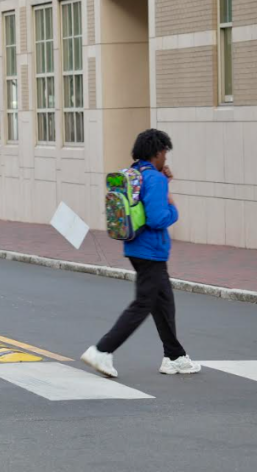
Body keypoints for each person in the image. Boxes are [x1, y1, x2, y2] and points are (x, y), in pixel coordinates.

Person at [81, 129, 201, 378]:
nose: (166, 159)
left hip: (135, 247)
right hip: (151, 250)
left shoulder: (134, 173)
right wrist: (174, 209)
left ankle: (174, 356)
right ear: (157, 152)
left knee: (163, 302)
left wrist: (164, 182)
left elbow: (143, 203)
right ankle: (102, 350)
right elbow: (158, 218)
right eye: (165, 153)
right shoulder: (154, 179)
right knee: (144, 303)